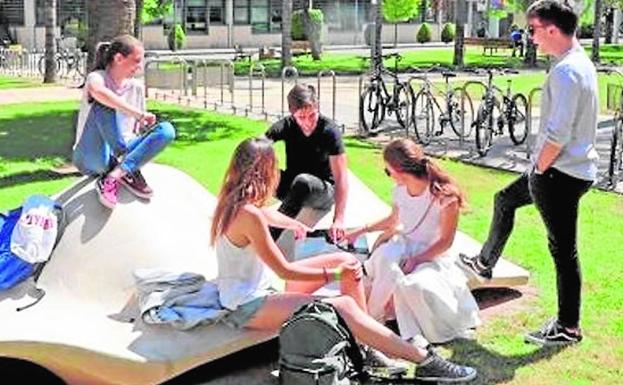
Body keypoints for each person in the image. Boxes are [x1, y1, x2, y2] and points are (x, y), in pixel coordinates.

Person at [211, 137, 477, 383]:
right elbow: (285, 270)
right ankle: (424, 360)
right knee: (342, 305)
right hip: (248, 305)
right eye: (275, 166)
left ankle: (365, 349)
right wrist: (331, 275)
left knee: (348, 264)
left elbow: (269, 215)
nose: (279, 173)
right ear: (263, 170)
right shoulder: (248, 214)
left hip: (263, 292)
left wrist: (294, 224)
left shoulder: (235, 201)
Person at [460, 0, 598, 346]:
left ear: (552, 29)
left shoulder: (567, 71)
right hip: (565, 171)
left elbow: (558, 134)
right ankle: (484, 263)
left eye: (533, 30)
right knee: (505, 199)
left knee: (563, 251)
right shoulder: (579, 62)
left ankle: (568, 327)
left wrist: (538, 168)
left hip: (558, 175)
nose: (530, 37)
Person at [345, 139, 480, 348]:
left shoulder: (444, 195)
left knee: (408, 283)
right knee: (387, 263)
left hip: (433, 254)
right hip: (404, 245)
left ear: (398, 169)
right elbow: (393, 221)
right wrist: (360, 230)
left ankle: (407, 332)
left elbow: (445, 242)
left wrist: (417, 259)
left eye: (387, 170)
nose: (388, 175)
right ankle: (373, 321)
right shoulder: (399, 191)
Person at [72, 34, 176, 209]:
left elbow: (137, 130)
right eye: (136, 61)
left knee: (167, 130)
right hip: (91, 155)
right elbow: (99, 93)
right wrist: (138, 114)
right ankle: (124, 162)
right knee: (103, 105)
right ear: (119, 58)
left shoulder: (136, 87)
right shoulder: (97, 78)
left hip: (124, 149)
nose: (139, 66)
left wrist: (145, 126)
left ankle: (117, 174)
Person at [265, 84, 348, 241]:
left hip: (322, 191)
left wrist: (339, 219)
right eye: (301, 118)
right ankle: (245, 215)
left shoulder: (329, 130)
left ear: (317, 108)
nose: (308, 122)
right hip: (293, 188)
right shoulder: (287, 125)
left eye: (312, 116)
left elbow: (341, 177)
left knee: (303, 181)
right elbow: (258, 146)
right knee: (262, 172)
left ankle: (270, 235)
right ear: (292, 114)